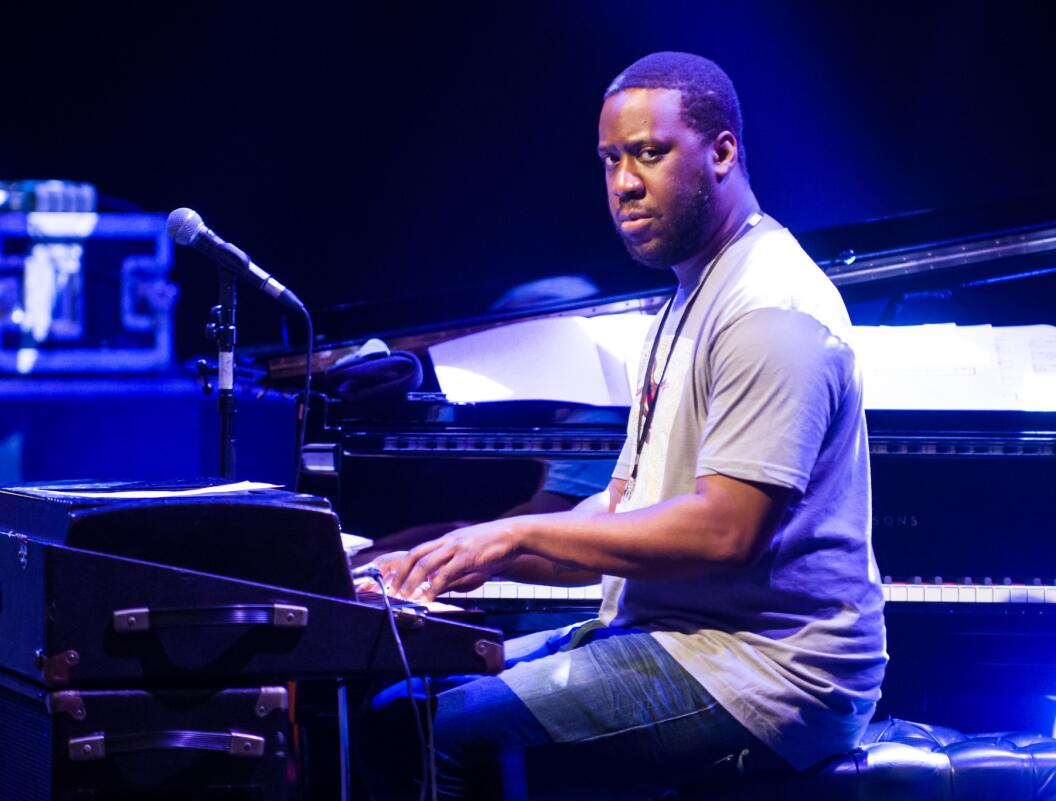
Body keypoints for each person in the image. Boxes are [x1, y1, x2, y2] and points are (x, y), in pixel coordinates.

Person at [360, 51, 887, 800]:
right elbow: (622, 511)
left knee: (435, 730)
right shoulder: (689, 297)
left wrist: (518, 534)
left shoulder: (769, 309)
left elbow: (724, 531)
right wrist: (455, 553)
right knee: (397, 697)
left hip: (770, 670)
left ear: (723, 153)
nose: (623, 183)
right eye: (610, 159)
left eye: (649, 153)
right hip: (680, 637)